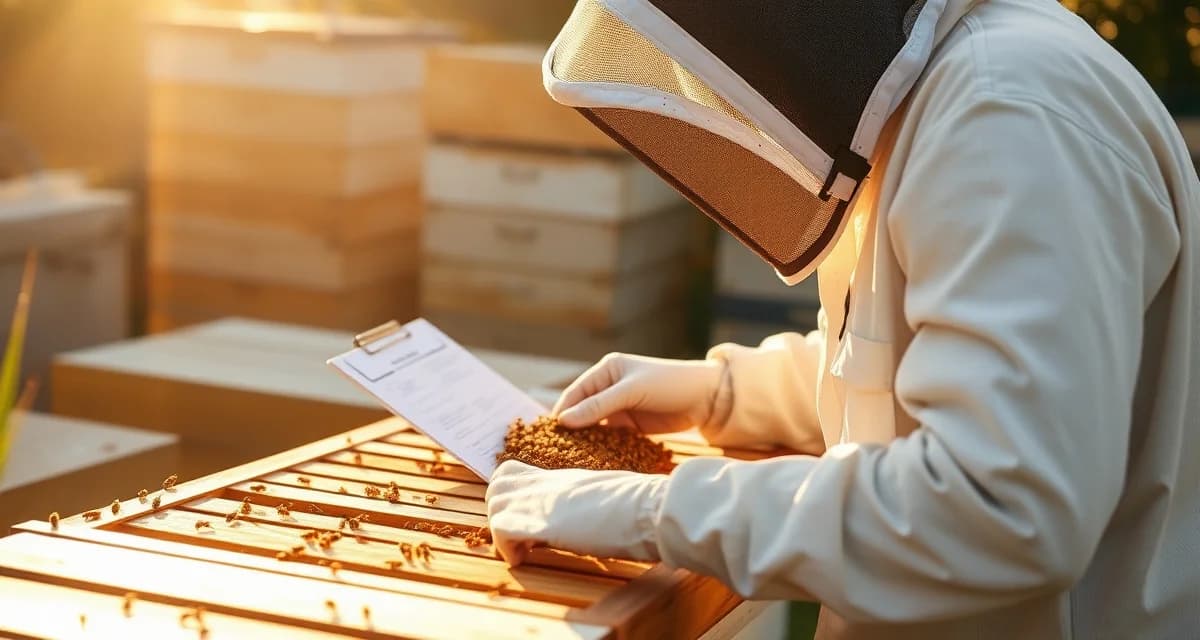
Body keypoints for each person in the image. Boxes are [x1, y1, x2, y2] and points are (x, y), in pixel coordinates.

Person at [485, 1, 1200, 638]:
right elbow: (922, 368)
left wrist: (644, 513)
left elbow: (996, 507)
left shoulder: (1006, 109)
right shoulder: (954, 90)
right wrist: (723, 391)